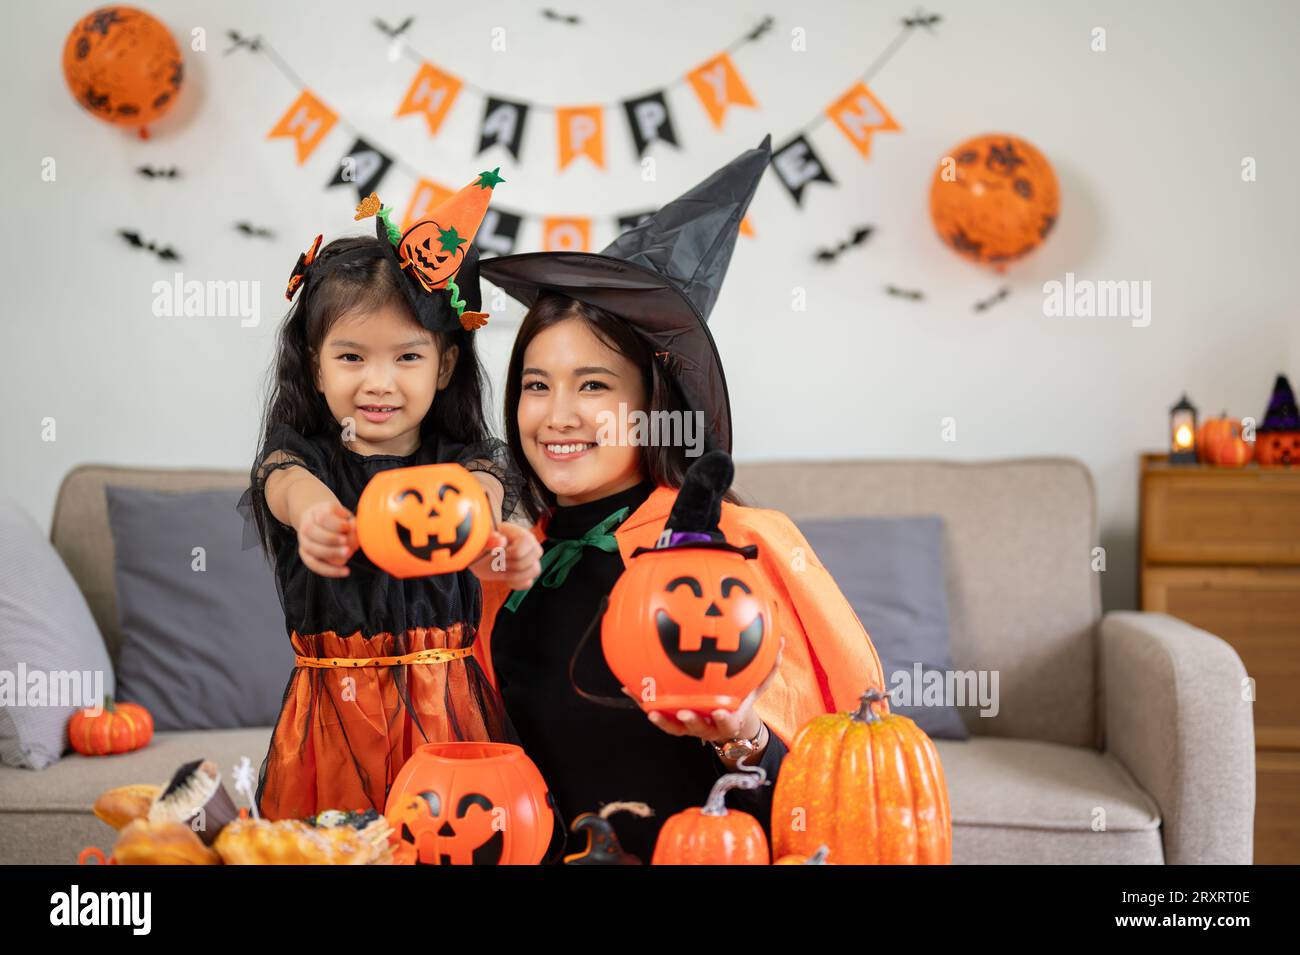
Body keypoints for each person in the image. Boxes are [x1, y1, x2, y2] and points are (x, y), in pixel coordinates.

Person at [475, 138, 889, 863]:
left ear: (654, 403)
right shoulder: (508, 566)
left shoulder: (732, 555)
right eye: (536, 384)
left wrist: (742, 733)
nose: (556, 414)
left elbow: (827, 805)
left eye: (594, 385)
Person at [237, 171, 543, 820]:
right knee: (334, 847)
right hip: (334, 710)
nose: (380, 382)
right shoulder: (305, 462)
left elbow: (481, 494)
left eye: (407, 357)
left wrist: (501, 545)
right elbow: (282, 481)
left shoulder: (462, 463)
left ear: (445, 366)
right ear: (315, 365)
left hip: (445, 706)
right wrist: (313, 510)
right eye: (352, 358)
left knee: (447, 834)